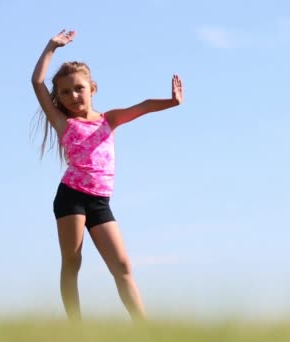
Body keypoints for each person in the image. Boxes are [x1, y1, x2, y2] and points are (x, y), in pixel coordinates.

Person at [31, 29, 183, 321]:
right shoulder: (63, 122)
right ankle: (76, 327)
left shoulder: (108, 120)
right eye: (64, 92)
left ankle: (145, 329)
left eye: (78, 88)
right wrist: (52, 46)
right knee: (73, 262)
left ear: (92, 88)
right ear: (59, 99)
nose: (72, 96)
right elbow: (37, 83)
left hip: (100, 202)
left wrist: (171, 101)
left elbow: (142, 107)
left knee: (123, 266)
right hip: (71, 198)